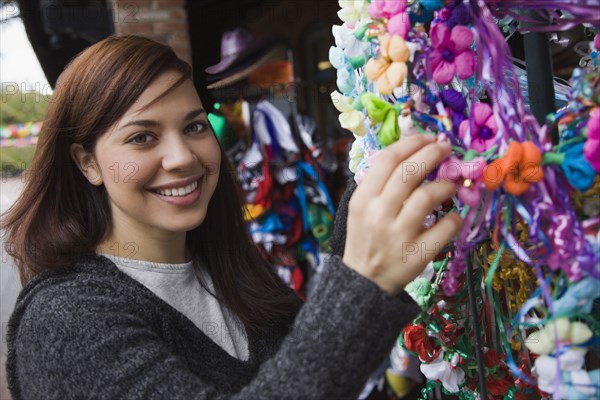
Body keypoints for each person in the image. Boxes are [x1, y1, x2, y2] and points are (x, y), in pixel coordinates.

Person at [2, 35, 461, 399]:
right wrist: (361, 286)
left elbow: (303, 365)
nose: (182, 157)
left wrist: (372, 176)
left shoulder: (226, 270)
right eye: (142, 137)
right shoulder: (63, 322)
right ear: (87, 163)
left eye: (195, 126)